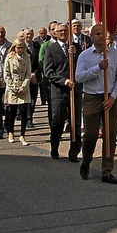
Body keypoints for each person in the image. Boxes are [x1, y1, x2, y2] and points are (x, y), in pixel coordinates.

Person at [76, 24, 117, 184]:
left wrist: (113, 96)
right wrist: (97, 68)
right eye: (97, 34)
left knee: (110, 136)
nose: (100, 36)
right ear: (91, 36)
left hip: (111, 97)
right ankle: (86, 160)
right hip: (92, 98)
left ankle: (107, 171)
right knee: (90, 135)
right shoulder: (85, 55)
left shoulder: (115, 54)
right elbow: (78, 77)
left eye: (102, 33)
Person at [43, 23, 82, 161]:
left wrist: (75, 55)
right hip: (59, 91)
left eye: (66, 30)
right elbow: (48, 72)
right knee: (57, 121)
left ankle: (74, 151)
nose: (63, 33)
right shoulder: (51, 49)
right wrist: (63, 81)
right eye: (60, 31)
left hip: (75, 91)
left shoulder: (75, 47)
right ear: (55, 33)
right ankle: (54, 147)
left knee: (75, 122)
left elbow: (81, 66)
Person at [3, 38, 31, 145]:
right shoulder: (9, 58)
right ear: (14, 47)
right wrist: (13, 87)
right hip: (12, 87)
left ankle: (22, 135)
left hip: (23, 86)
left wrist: (23, 86)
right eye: (18, 47)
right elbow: (6, 74)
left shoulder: (27, 58)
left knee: (24, 112)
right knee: (12, 112)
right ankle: (11, 132)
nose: (20, 50)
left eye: (22, 48)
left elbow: (28, 74)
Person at [38, 20, 59, 109]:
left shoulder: (66, 44)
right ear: (49, 31)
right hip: (50, 81)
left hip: (63, 80)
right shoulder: (45, 45)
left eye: (56, 29)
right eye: (52, 29)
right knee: (52, 105)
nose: (55, 31)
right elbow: (41, 61)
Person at [23, 27, 40, 128]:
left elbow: (39, 61)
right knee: (26, 100)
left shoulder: (37, 46)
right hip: (24, 77)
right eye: (27, 34)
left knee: (33, 99)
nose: (29, 36)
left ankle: (30, 117)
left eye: (30, 34)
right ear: (24, 35)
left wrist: (35, 73)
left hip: (34, 76)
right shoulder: (20, 46)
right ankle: (27, 118)